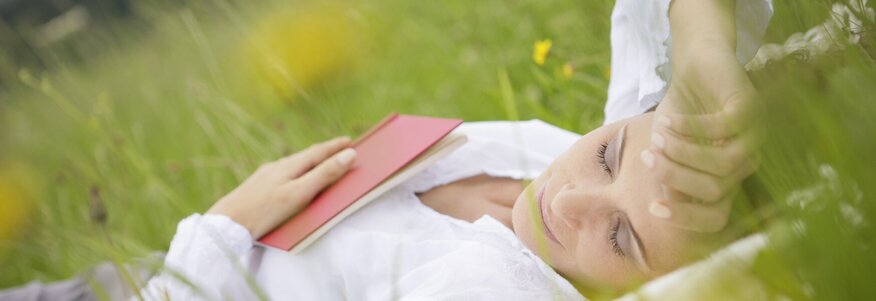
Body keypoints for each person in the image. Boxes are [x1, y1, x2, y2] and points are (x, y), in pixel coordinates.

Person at [0, 0, 773, 300]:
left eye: (623, 237)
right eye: (607, 155)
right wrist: (703, 43)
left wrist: (217, 234)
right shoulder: (575, 155)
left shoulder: (493, 287)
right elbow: (657, 38)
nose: (569, 199)